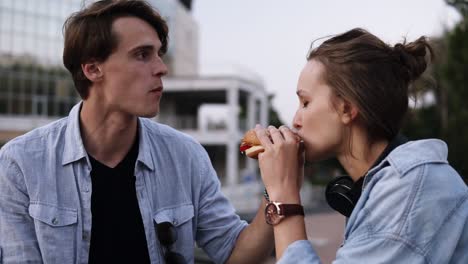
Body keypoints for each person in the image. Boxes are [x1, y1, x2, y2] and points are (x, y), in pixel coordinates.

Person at [0, 1, 274, 263]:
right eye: (142, 55)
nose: (161, 68)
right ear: (93, 68)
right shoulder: (21, 163)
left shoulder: (185, 156)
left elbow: (236, 252)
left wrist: (277, 190)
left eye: (159, 54)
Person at [254, 28, 468, 263]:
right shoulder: (390, 185)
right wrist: (280, 187)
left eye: (305, 102)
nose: (295, 120)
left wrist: (284, 197)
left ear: (347, 108)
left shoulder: (407, 192)